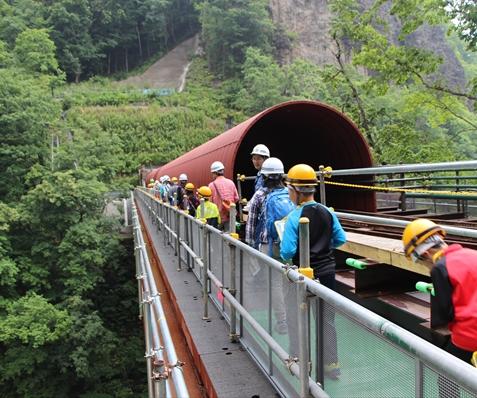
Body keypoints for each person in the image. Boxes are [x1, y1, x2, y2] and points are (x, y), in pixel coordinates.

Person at [280, 163, 346, 380]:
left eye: (290, 189)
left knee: (296, 317)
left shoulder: (294, 217)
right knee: (326, 320)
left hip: (301, 276)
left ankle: (300, 361)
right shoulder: (328, 212)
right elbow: (340, 239)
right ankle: (331, 366)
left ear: (297, 191)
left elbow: (287, 251)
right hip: (327, 273)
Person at [402, 219, 477, 374]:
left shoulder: (440, 268)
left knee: (445, 375)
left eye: (420, 262)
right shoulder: (472, 254)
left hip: (470, 335)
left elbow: (444, 313)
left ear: (425, 253)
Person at [245, 157, 293, 335]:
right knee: (287, 279)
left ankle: (282, 321)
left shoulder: (259, 195)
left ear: (264, 176)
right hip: (287, 242)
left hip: (268, 244)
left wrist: (249, 243)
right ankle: (290, 314)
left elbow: (251, 222)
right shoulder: (289, 192)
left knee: (274, 284)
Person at [209, 161, 239, 231]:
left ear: (215, 173)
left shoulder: (211, 185)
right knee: (229, 239)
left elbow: (210, 203)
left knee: (218, 239)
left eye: (212, 174)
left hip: (217, 218)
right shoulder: (231, 183)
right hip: (230, 216)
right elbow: (236, 198)